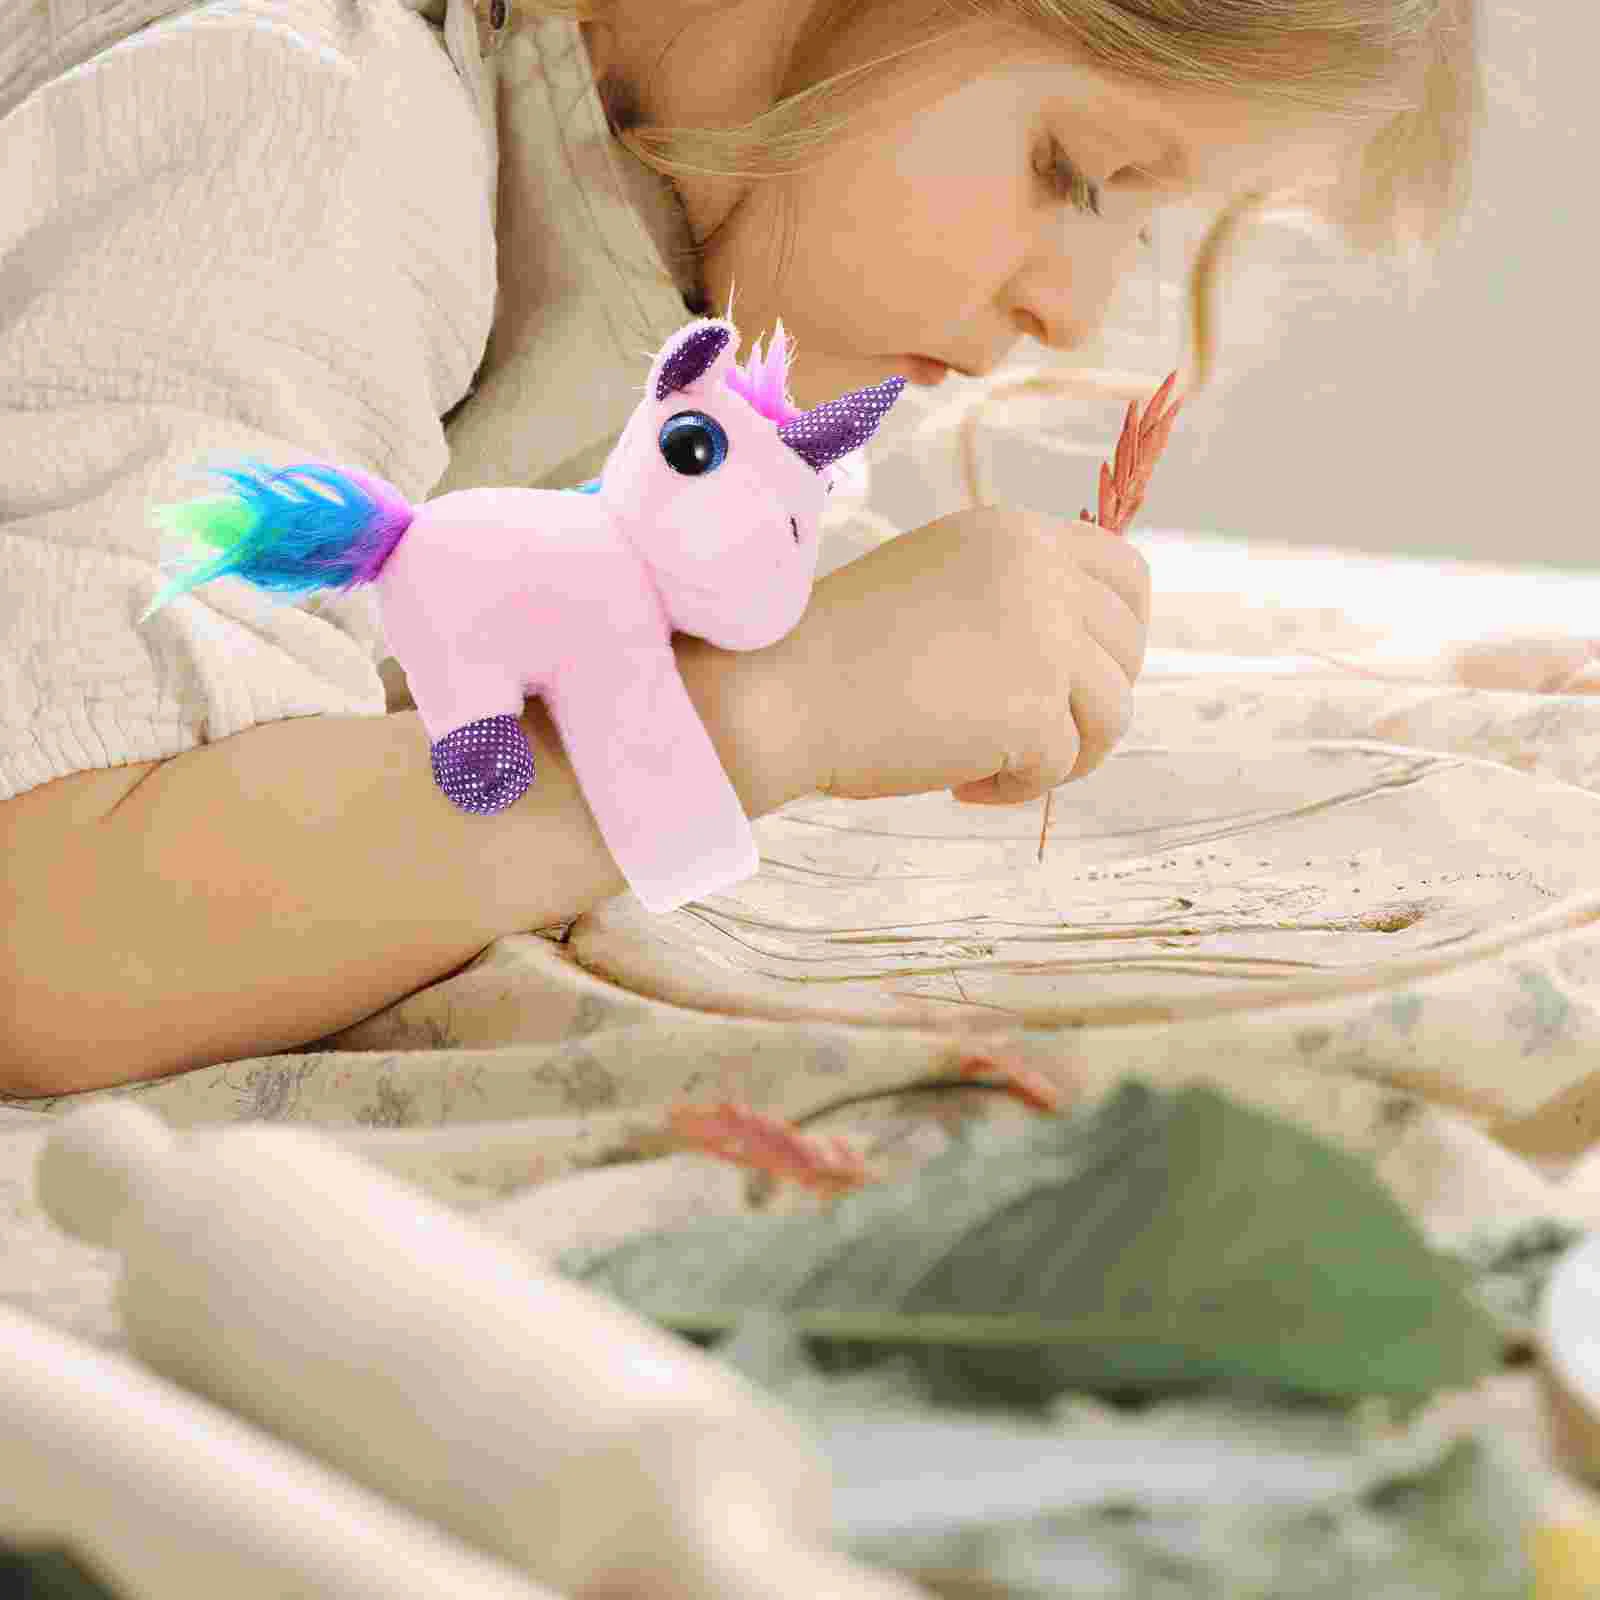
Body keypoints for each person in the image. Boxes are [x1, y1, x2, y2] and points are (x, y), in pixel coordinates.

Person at [0, 0, 1482, 1094]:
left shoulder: (665, 267)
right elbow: (49, 930)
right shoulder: (300, 135)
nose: (1074, 313)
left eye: (1143, 232)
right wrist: (772, 716)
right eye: (1073, 171)